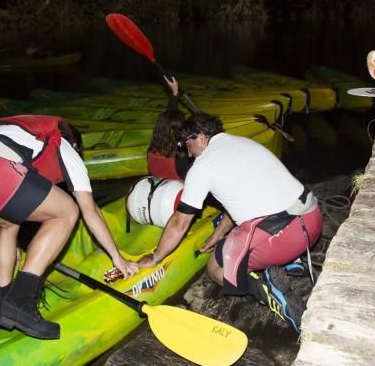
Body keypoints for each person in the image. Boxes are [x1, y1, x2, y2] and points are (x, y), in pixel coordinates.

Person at [0, 114, 140, 340]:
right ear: (75, 144)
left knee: (9, 223)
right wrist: (117, 258)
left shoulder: (25, 133)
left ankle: (3, 307)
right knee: (67, 212)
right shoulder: (64, 145)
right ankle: (21, 301)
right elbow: (89, 210)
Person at [135, 112, 323, 332]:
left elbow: (179, 222)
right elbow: (236, 200)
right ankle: (292, 262)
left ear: (201, 138)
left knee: (216, 267)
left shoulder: (202, 167)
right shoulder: (242, 142)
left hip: (286, 236)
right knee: (248, 228)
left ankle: (268, 292)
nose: (187, 152)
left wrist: (156, 257)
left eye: (187, 144)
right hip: (312, 220)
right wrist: (217, 236)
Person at [146, 75, 191, 180]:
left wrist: (174, 94)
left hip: (158, 192)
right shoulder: (181, 157)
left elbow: (169, 121)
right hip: (178, 194)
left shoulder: (152, 150)